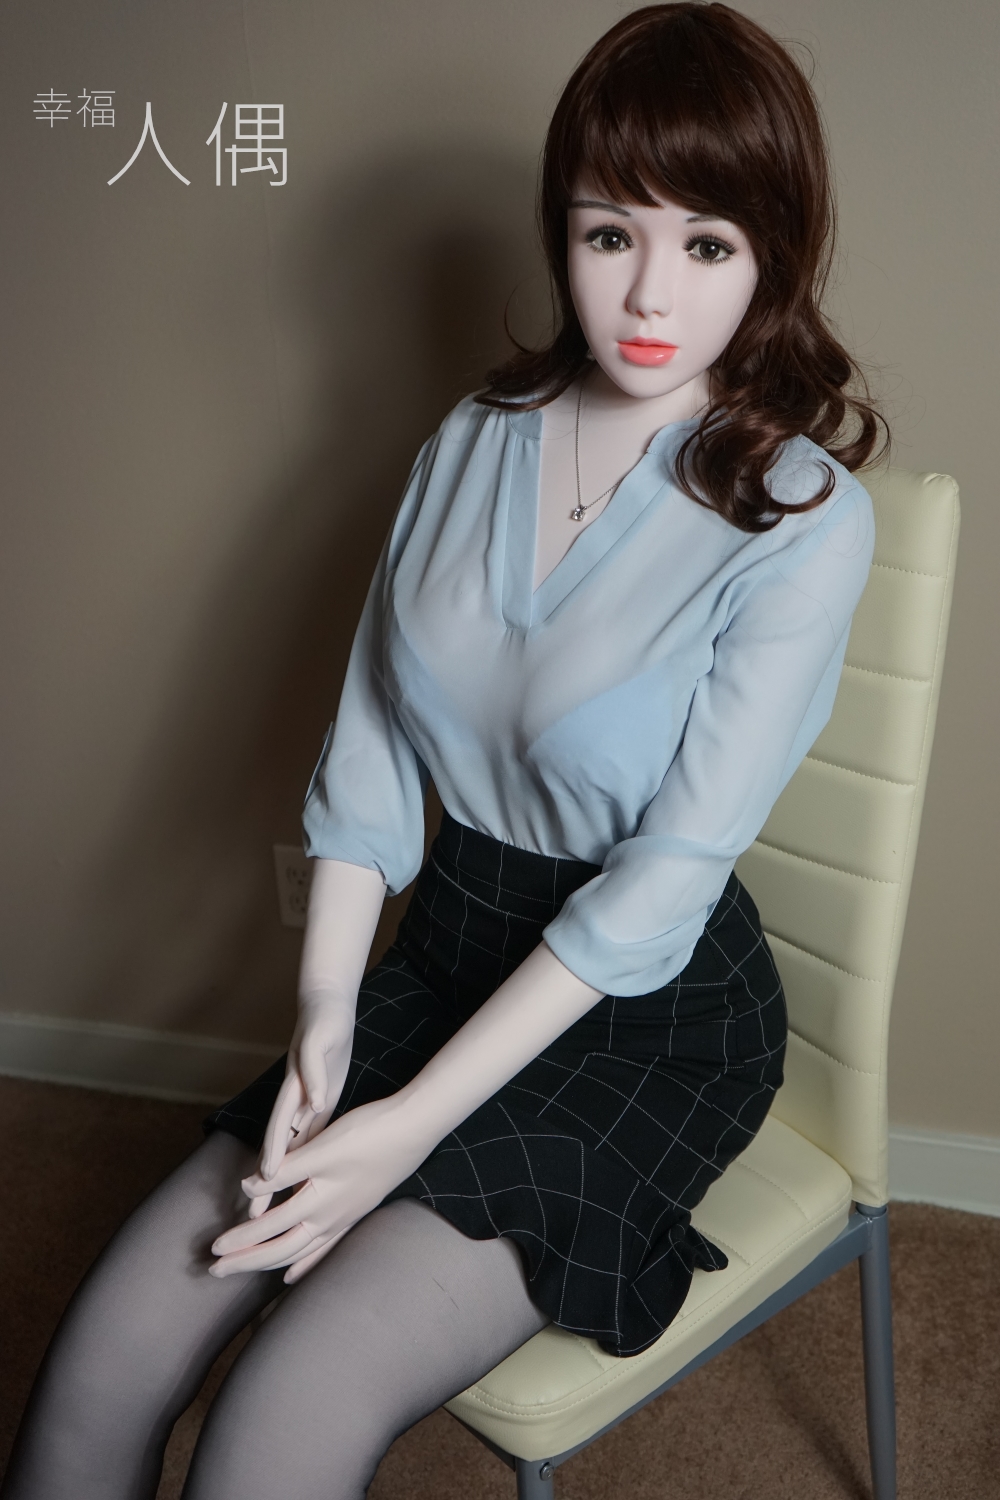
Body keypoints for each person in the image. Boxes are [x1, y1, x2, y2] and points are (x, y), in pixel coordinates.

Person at [1, 5, 885, 1498]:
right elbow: (368, 747)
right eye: (610, 235)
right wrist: (327, 1008)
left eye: (708, 244)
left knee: (286, 1402)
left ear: (774, 259)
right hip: (446, 950)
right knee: (109, 1347)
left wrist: (403, 1126)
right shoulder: (479, 432)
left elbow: (664, 884)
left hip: (648, 1017)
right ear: (562, 233)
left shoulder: (801, 518)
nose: (649, 293)